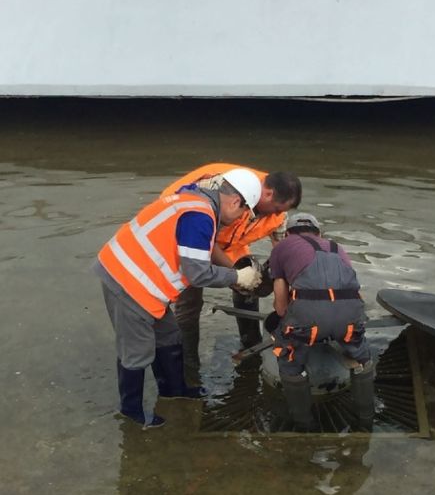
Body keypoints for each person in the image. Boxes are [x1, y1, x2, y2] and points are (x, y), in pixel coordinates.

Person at [94, 169, 263, 429]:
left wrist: (233, 273)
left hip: (143, 280)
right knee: (137, 353)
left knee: (169, 335)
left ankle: (174, 391)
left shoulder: (195, 200)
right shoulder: (200, 215)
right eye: (243, 213)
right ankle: (132, 414)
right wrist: (237, 278)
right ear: (235, 202)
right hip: (127, 280)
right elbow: (196, 273)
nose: (240, 219)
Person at [161, 162, 302, 373]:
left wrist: (294, 289)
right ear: (268, 193)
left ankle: (250, 347)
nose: (276, 215)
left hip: (230, 242)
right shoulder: (227, 190)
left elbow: (284, 253)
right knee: (189, 304)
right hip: (186, 235)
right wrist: (237, 275)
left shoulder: (276, 213)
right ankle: (189, 365)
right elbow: (206, 240)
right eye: (276, 209)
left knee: (251, 286)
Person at [268, 212, 374, 432]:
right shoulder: (337, 247)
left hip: (309, 320)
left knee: (289, 360)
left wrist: (285, 320)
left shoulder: (281, 247)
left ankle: (304, 426)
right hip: (350, 315)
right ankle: (365, 422)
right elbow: (353, 288)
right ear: (319, 233)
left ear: (287, 233)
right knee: (361, 357)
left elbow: (280, 305)